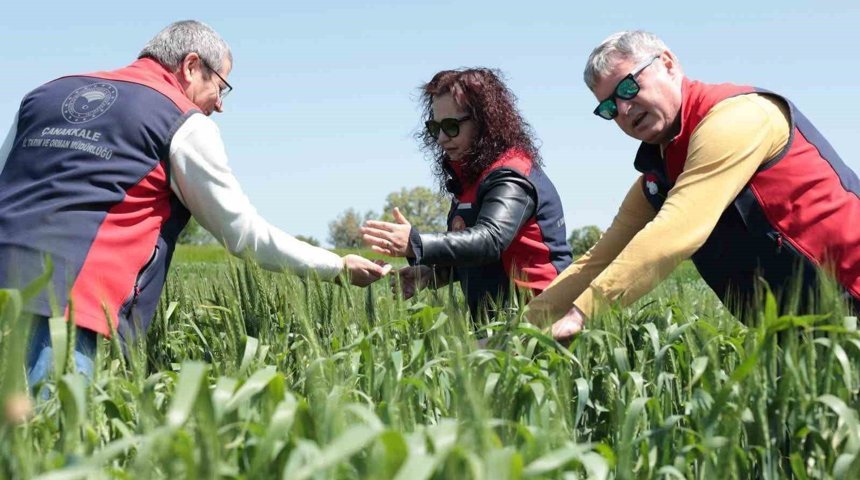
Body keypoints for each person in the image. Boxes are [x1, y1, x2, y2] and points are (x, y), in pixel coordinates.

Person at [0, 20, 388, 387]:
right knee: (50, 441)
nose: (220, 104)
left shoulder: (44, 94)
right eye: (221, 86)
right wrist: (337, 266)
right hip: (69, 311)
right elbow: (243, 234)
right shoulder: (181, 121)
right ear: (190, 66)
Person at [526, 30, 860, 340]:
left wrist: (582, 314)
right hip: (801, 333)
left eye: (628, 87)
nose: (624, 109)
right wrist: (521, 329)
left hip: (852, 298)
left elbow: (676, 230)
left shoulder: (737, 117)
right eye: (609, 107)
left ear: (668, 64)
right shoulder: (661, 175)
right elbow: (597, 260)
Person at [361, 68, 572, 319]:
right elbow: (476, 256)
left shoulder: (511, 175)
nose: (440, 138)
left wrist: (416, 243)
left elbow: (490, 240)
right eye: (434, 127)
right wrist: (432, 273)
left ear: (484, 122)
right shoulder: (470, 178)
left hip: (541, 322)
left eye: (451, 126)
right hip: (498, 325)